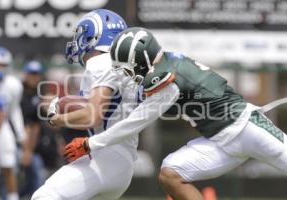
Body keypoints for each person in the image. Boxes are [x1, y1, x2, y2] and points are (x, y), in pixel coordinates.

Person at [66, 27, 287, 200]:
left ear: (142, 58)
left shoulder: (166, 78)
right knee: (171, 173)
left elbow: (137, 121)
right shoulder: (167, 62)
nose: (128, 75)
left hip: (247, 127)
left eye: (127, 68)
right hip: (220, 141)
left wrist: (91, 144)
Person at [31, 9, 140, 200]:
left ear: (94, 36)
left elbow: (92, 115)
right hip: (120, 159)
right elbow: (107, 108)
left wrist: (57, 119)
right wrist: (70, 102)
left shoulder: (100, 62)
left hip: (107, 156)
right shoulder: (123, 64)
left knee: (45, 196)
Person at [0, 47, 30, 200]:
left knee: (8, 163)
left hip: (2, 125)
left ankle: (12, 197)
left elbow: (14, 110)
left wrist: (20, 133)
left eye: (4, 65)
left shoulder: (13, 84)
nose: (0, 68)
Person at [19, 61, 45, 197]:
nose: (35, 77)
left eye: (37, 74)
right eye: (32, 74)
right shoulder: (17, 92)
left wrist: (28, 151)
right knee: (9, 178)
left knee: (37, 182)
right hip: (13, 144)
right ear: (26, 74)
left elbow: (35, 125)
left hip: (30, 146)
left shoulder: (38, 95)